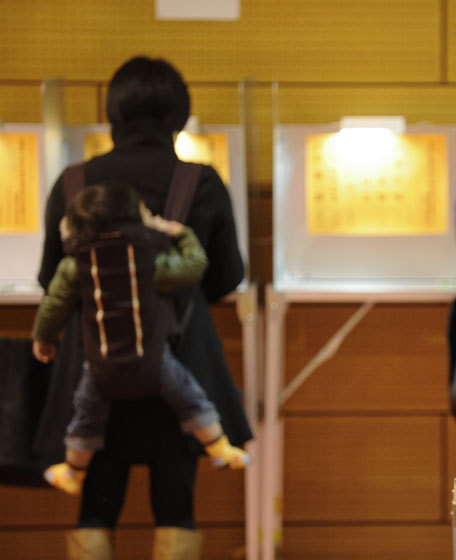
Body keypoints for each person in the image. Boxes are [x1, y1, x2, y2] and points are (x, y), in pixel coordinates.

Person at [35, 55, 252, 559]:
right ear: (179, 115)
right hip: (177, 361)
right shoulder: (199, 181)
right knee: (176, 501)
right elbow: (226, 277)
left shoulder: (72, 182)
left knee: (95, 499)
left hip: (94, 364)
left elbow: (52, 279)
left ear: (114, 114)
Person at [33, 182, 249, 498]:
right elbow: (194, 267)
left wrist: (44, 337)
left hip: (100, 365)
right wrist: (182, 234)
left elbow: (53, 304)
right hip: (154, 360)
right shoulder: (147, 260)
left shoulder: (75, 265)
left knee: (85, 416)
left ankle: (73, 471)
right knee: (191, 398)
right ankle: (219, 447)